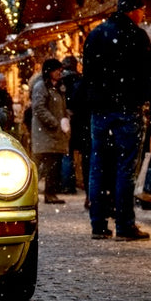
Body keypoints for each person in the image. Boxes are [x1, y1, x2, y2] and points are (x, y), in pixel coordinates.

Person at [83, 0, 151, 240]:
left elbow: (88, 75)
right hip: (127, 109)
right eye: (142, 11)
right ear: (133, 10)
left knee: (98, 166)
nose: (143, 15)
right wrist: (144, 100)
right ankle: (125, 225)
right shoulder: (137, 36)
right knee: (126, 167)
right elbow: (147, 74)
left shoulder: (96, 34)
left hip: (100, 111)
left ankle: (99, 225)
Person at [30, 58, 70, 204]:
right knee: (43, 165)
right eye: (57, 70)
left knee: (53, 164)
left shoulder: (58, 87)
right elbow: (39, 108)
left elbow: (61, 108)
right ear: (49, 71)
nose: (60, 72)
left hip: (56, 133)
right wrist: (54, 122)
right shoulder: (41, 87)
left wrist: (66, 119)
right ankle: (35, 192)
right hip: (45, 133)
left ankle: (50, 193)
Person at [60, 55, 91, 206]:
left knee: (68, 154)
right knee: (89, 159)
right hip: (86, 125)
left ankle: (68, 184)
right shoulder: (82, 81)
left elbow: (72, 103)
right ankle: (90, 195)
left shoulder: (62, 82)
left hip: (73, 124)